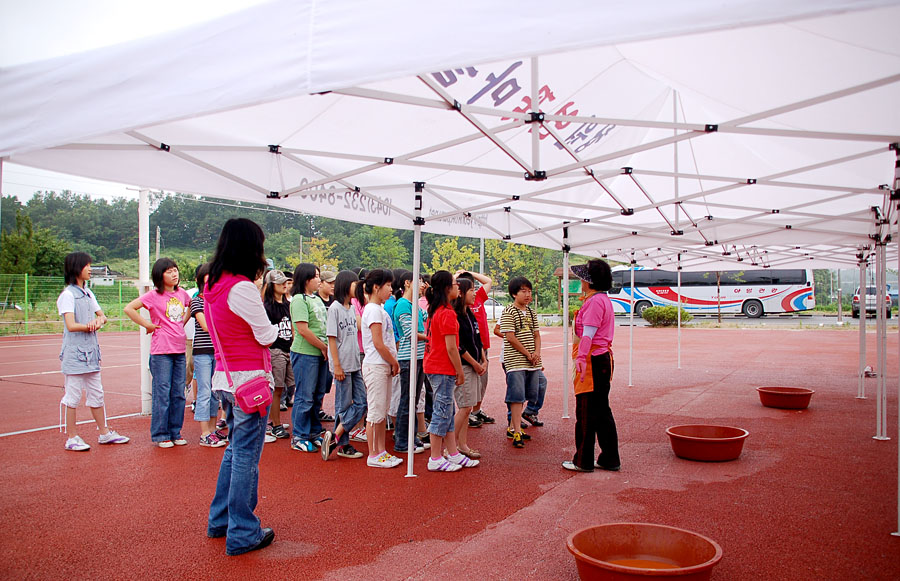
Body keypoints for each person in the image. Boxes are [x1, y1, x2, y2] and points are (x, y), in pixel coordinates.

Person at [204, 218, 277, 556]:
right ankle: (243, 530)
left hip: (226, 378)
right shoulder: (241, 287)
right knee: (246, 454)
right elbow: (266, 335)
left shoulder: (212, 285)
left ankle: (222, 520)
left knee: (235, 450)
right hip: (251, 381)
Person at [57, 252, 129, 451]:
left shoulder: (88, 293)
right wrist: (90, 326)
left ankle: (104, 432)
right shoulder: (68, 295)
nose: (90, 269)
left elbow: (102, 316)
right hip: (75, 354)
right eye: (87, 266)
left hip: (91, 353)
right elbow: (71, 325)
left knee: (97, 394)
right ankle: (72, 437)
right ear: (76, 268)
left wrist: (99, 321)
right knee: (72, 396)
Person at [124, 257, 191, 448]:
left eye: (175, 270)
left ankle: (175, 431)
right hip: (161, 351)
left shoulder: (182, 294)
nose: (174, 274)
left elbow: (191, 307)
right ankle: (161, 434)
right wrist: (147, 324)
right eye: (169, 271)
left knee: (178, 393)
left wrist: (181, 324)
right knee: (162, 392)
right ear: (160, 275)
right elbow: (129, 308)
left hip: (179, 349)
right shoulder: (153, 296)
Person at [563, 260, 621, 473]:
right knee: (601, 410)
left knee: (586, 411)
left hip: (592, 360)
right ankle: (609, 458)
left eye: (583, 277)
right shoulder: (601, 299)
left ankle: (583, 460)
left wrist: (580, 360)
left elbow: (588, 334)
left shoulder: (595, 302)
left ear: (589, 281)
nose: (580, 281)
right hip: (600, 359)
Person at [423, 271, 479, 471]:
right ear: (448, 288)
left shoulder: (437, 310)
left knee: (447, 410)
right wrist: (460, 371)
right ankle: (435, 457)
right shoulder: (446, 313)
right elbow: (451, 347)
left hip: (436, 366)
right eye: (455, 284)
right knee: (441, 411)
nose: (458, 287)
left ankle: (453, 452)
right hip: (441, 368)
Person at [321, 270, 367, 461]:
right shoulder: (335, 308)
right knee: (343, 404)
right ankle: (342, 444)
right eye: (354, 284)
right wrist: (337, 366)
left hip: (354, 363)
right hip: (343, 365)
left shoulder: (350, 308)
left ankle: (336, 434)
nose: (356, 288)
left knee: (362, 402)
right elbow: (332, 339)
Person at [360, 269, 402, 468]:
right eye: (388, 286)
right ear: (376, 287)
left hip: (381, 364)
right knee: (375, 412)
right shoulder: (374, 310)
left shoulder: (379, 309)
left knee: (381, 411)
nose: (391, 290)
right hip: (376, 365)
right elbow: (378, 342)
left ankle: (380, 450)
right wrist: (394, 361)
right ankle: (373, 453)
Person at [289, 264, 330, 452]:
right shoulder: (299, 300)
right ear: (305, 279)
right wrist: (323, 347)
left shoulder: (316, 299)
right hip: (306, 353)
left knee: (317, 395)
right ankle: (299, 435)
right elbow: (303, 330)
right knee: (305, 396)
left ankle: (314, 432)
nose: (318, 280)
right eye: (315, 276)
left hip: (320, 353)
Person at [499, 276, 541, 449]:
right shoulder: (508, 311)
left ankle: (514, 427)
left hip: (532, 362)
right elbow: (510, 337)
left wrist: (536, 353)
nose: (527, 295)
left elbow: (537, 335)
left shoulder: (531, 312)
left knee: (528, 394)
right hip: (515, 361)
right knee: (516, 397)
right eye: (523, 291)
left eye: (529, 291)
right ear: (514, 294)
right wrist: (528, 353)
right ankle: (516, 430)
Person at [190, 263, 226, 447]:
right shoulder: (197, 300)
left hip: (217, 351)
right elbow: (205, 325)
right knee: (204, 391)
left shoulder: (218, 301)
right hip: (203, 351)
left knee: (214, 392)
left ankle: (212, 430)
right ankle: (205, 433)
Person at [391, 271, 427, 455]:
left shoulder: (415, 305)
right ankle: (402, 441)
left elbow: (426, 319)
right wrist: (430, 338)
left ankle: (410, 437)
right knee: (407, 400)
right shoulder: (403, 305)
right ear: (407, 283)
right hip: (408, 358)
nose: (422, 284)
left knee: (412, 400)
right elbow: (411, 333)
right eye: (419, 281)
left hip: (418, 357)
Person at [455, 270, 495, 427]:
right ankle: (468, 413)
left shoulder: (477, 298)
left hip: (482, 348)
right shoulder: (458, 308)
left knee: (482, 382)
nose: (473, 291)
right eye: (470, 288)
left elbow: (488, 281)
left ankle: (476, 411)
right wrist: (457, 276)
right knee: (469, 386)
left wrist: (468, 272)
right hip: (467, 352)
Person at [452, 277, 485, 459]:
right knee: (464, 407)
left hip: (474, 365)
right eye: (471, 290)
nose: (474, 293)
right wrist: (474, 363)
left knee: (467, 407)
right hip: (465, 366)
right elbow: (459, 346)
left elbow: (477, 339)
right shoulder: (455, 315)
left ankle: (462, 445)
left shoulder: (469, 313)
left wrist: (483, 359)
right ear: (462, 292)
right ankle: (449, 447)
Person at [262, 269, 293, 441]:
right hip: (276, 350)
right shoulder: (267, 307)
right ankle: (275, 424)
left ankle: (275, 420)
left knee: (287, 387)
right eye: (280, 282)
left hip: (289, 348)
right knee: (277, 388)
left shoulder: (288, 305)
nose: (284, 285)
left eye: (285, 282)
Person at [316, 269, 336, 422]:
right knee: (314, 384)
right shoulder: (315, 300)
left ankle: (321, 408)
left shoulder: (334, 302)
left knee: (326, 382)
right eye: (329, 283)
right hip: (318, 346)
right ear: (320, 283)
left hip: (331, 347)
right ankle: (316, 410)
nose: (332, 286)